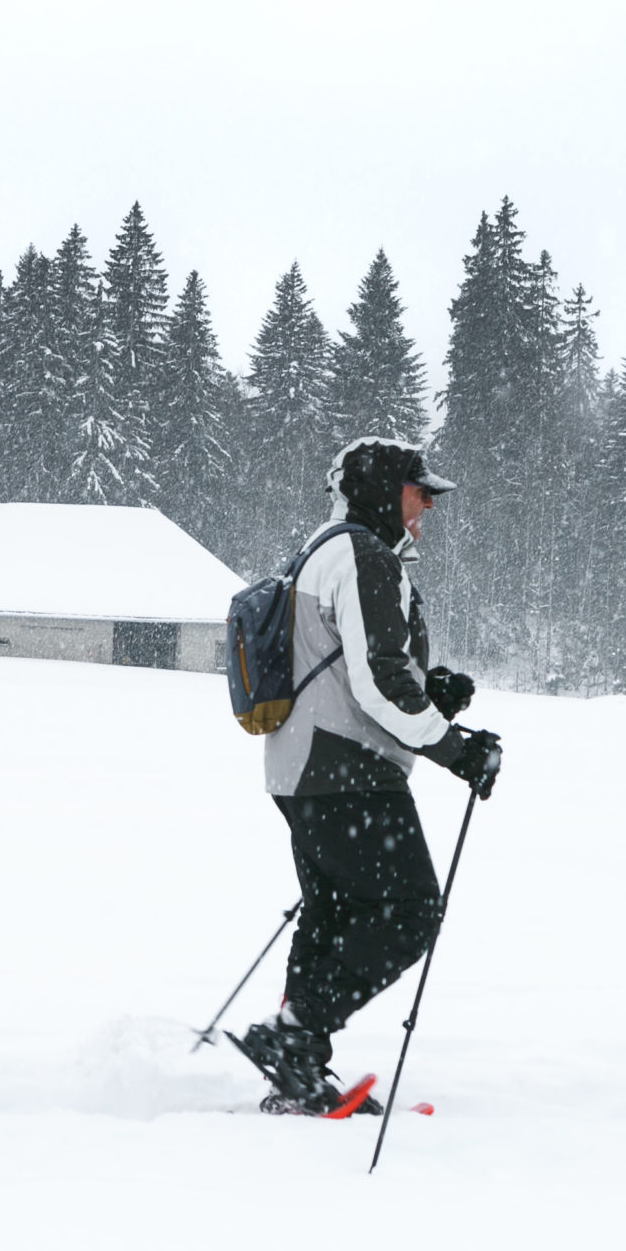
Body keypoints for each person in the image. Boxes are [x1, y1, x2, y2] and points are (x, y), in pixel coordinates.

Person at [230, 436, 504, 1115]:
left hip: (304, 770)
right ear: (385, 490)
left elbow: (358, 671)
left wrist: (432, 691)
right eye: (420, 492)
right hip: (347, 768)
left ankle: (295, 1065)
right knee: (410, 912)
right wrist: (456, 750)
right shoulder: (362, 555)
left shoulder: (324, 552)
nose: (429, 507)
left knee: (332, 915)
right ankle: (294, 1039)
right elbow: (378, 683)